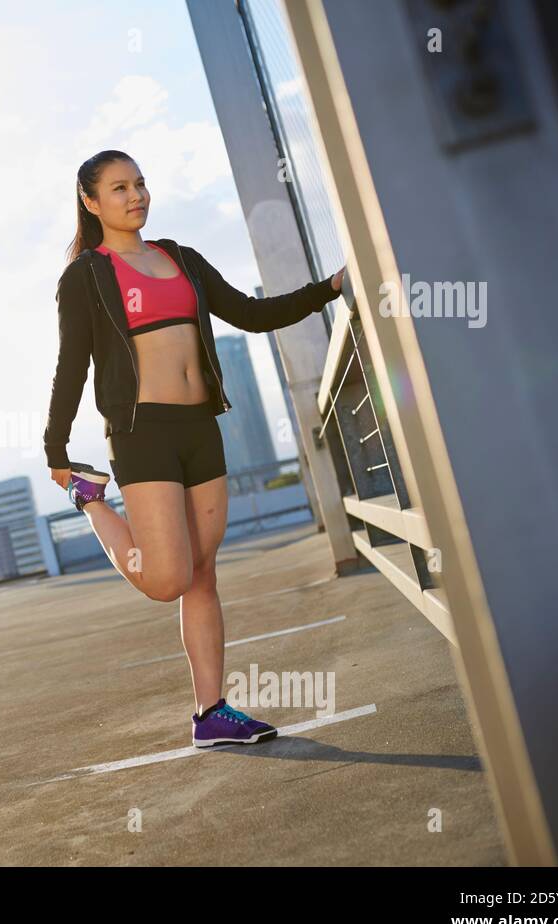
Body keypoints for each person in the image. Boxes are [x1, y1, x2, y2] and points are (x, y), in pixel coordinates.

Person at [43, 150, 345, 748]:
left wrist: (331, 287)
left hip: (201, 426)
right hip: (141, 431)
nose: (136, 196)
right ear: (91, 201)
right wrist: (57, 448)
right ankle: (91, 502)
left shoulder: (181, 259)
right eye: (120, 187)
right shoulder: (87, 275)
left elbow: (253, 315)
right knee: (167, 579)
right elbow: (71, 365)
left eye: (140, 183)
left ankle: (211, 713)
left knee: (203, 572)